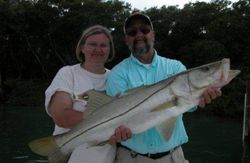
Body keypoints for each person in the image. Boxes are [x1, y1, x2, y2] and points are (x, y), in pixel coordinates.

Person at [106, 11, 222, 163]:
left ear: (153, 35)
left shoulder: (175, 67)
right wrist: (116, 132)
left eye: (145, 29)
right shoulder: (117, 74)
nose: (139, 34)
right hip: (132, 158)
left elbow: (189, 106)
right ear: (127, 40)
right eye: (132, 32)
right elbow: (114, 118)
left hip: (174, 157)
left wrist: (202, 97)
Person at [45, 25, 116, 163]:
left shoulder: (116, 78)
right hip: (68, 154)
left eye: (103, 45)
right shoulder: (68, 73)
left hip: (106, 156)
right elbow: (62, 116)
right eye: (92, 44)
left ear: (109, 50)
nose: (98, 49)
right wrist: (112, 120)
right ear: (82, 47)